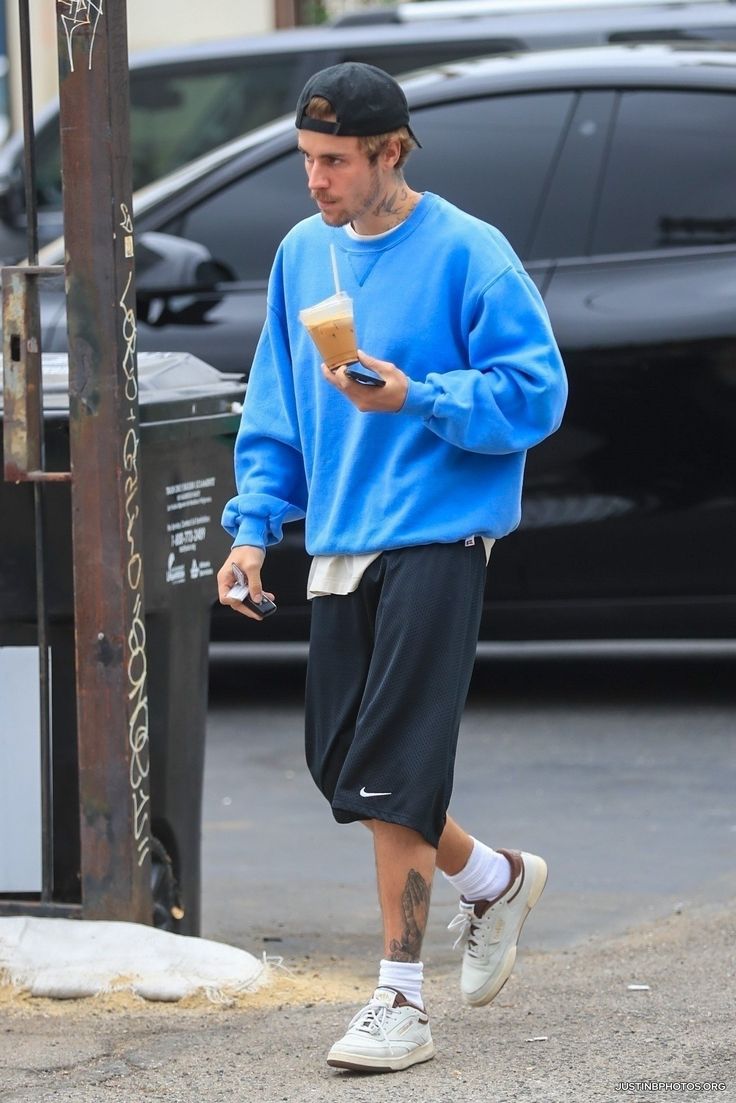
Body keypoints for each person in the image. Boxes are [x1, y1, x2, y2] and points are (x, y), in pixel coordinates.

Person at [217, 61, 567, 1074]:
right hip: (339, 537)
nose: (316, 181)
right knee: (347, 770)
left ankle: (399, 998)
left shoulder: (469, 252)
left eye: (334, 162)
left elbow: (533, 394)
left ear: (391, 153)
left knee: (397, 770)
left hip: (439, 533)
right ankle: (494, 876)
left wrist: (418, 395)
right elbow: (275, 403)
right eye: (308, 160)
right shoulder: (300, 253)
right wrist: (252, 527)